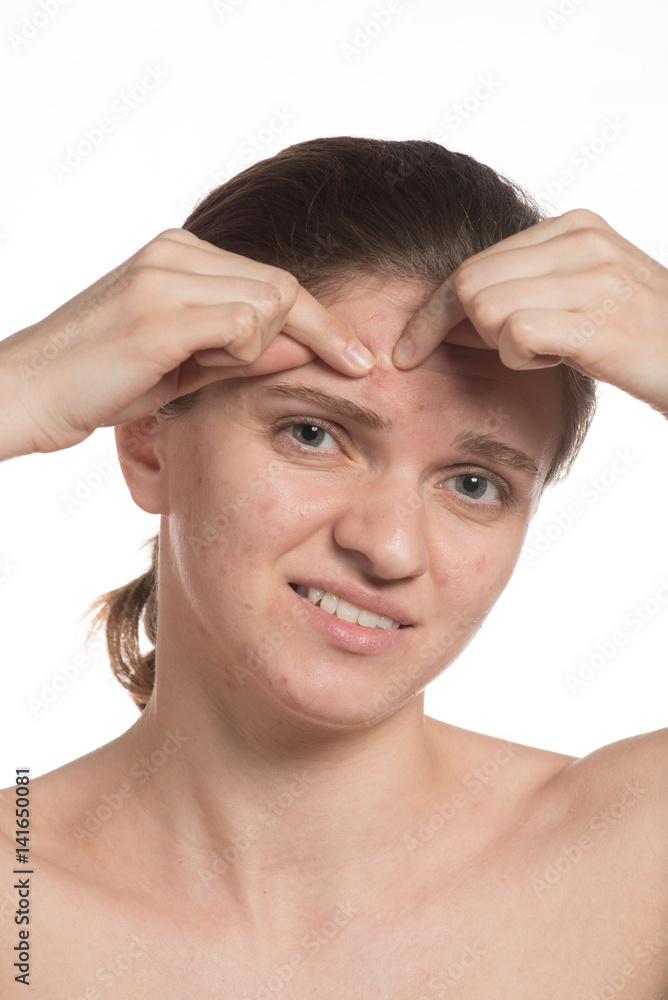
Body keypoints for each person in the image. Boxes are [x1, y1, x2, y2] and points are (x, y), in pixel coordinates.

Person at [0, 136, 666, 998]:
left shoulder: (631, 860)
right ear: (147, 441)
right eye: (313, 433)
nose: (389, 547)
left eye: (474, 483)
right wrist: (17, 384)